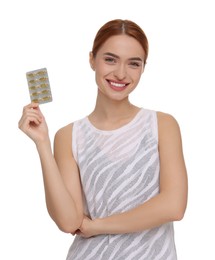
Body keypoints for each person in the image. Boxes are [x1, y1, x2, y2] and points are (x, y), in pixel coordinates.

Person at [18, 19, 188, 260]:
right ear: (92, 60)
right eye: (110, 59)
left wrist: (97, 226)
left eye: (133, 63)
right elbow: (69, 221)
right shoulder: (68, 136)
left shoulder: (162, 125)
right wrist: (42, 143)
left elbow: (173, 206)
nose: (120, 73)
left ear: (143, 68)